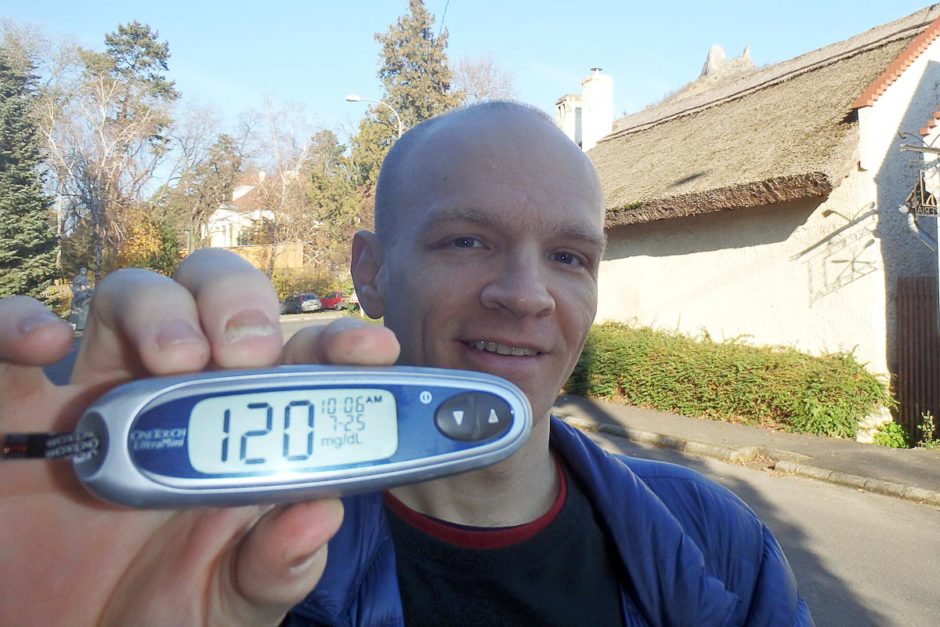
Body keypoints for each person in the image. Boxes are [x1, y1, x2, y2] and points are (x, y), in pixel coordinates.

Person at [0, 102, 812, 626]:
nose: (527, 295)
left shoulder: (721, 546)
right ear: (371, 271)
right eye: (467, 241)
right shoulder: (218, 554)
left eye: (570, 256)